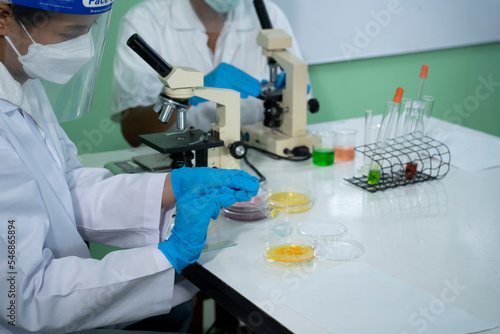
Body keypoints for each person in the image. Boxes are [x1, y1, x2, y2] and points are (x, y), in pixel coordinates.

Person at [0, 1, 259, 333]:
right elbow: (25, 297)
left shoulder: (21, 81)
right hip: (30, 318)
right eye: (72, 33)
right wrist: (168, 256)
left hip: (52, 302)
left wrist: (170, 187)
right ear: (5, 18)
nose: (84, 48)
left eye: (90, 30)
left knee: (174, 312)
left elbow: (66, 187)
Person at [111, 0, 306, 147]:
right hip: (177, 168)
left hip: (256, 157)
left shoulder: (269, 16)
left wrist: (290, 93)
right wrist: (183, 96)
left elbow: (298, 104)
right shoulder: (146, 21)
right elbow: (132, 132)